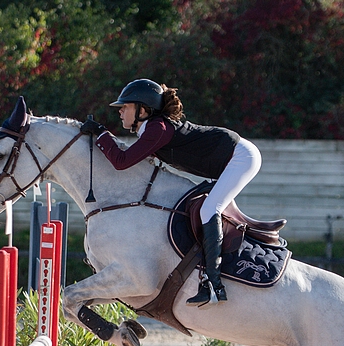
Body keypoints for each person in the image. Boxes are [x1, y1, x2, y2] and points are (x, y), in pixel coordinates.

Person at [81, 78, 262, 307]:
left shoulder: (158, 128)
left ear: (143, 110)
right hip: (229, 158)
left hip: (241, 157)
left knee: (208, 210)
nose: (120, 112)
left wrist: (101, 133)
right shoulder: (152, 129)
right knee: (201, 207)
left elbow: (121, 161)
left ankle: (213, 284)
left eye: (125, 107)